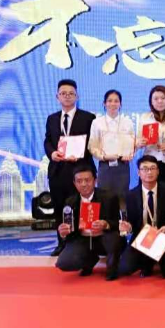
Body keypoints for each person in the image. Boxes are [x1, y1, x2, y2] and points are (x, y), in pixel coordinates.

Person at [44, 79, 96, 256]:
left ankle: (86, 243)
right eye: (63, 93)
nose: (67, 96)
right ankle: (62, 243)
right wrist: (52, 153)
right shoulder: (52, 119)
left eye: (71, 93)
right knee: (60, 208)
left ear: (77, 96)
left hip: (81, 170)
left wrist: (80, 153)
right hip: (58, 171)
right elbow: (47, 141)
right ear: (57, 96)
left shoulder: (88, 118)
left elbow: (93, 143)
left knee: (83, 207)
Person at [55, 165, 124, 280]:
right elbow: (70, 231)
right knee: (64, 263)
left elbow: (118, 223)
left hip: (105, 236)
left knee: (114, 240)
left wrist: (105, 224)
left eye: (87, 180)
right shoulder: (70, 201)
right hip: (83, 238)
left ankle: (112, 266)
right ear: (74, 183)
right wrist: (64, 232)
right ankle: (89, 260)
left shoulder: (109, 197)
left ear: (95, 180)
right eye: (79, 181)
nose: (83, 184)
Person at [117, 156, 165, 278]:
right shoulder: (131, 195)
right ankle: (147, 262)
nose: (149, 172)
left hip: (163, 235)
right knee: (125, 268)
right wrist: (128, 227)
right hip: (142, 236)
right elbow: (131, 223)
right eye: (144, 169)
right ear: (138, 173)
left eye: (152, 168)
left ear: (158, 171)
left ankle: (156, 263)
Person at [88, 89, 135, 205]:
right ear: (104, 103)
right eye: (109, 101)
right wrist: (103, 156)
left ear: (120, 104)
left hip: (123, 165)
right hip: (105, 165)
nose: (113, 104)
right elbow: (92, 146)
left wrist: (131, 154)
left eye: (116, 101)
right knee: (104, 198)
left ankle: (122, 217)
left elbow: (132, 143)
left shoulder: (128, 122)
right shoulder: (97, 122)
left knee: (122, 199)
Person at [137, 85, 165, 187]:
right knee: (147, 194)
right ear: (151, 101)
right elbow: (137, 140)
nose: (159, 101)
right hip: (149, 164)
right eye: (156, 99)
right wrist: (140, 143)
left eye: (163, 98)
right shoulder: (145, 118)